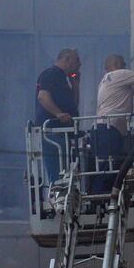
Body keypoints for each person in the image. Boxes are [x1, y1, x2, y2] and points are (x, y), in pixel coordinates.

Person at [35, 48, 81, 183]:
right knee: (57, 172)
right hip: (52, 132)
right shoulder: (51, 74)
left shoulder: (65, 79)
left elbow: (73, 105)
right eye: (76, 60)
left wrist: (76, 85)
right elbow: (42, 96)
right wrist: (58, 113)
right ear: (66, 59)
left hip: (63, 133)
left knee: (65, 172)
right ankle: (57, 195)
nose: (79, 64)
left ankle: (62, 194)